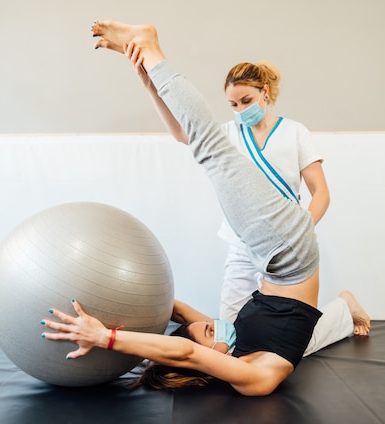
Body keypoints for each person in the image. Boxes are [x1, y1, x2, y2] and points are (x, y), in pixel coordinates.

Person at [41, 20, 368, 397]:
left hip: (276, 253)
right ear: (202, 359)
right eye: (209, 333)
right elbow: (184, 351)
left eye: (209, 328)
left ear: (264, 94)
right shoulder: (253, 378)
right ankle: (152, 49)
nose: (214, 326)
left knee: (207, 147)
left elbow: (178, 314)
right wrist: (105, 337)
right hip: (286, 252)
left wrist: (104, 306)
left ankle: (343, 308)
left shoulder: (238, 345)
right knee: (208, 144)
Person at [113, 39, 366, 353]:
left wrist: (303, 229)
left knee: (291, 342)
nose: (240, 110)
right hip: (242, 242)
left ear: (265, 93)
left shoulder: (294, 133)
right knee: (231, 338)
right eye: (233, 105)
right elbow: (182, 132)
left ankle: (343, 308)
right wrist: (151, 87)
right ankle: (341, 309)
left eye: (246, 101)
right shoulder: (228, 135)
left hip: (286, 249)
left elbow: (321, 192)